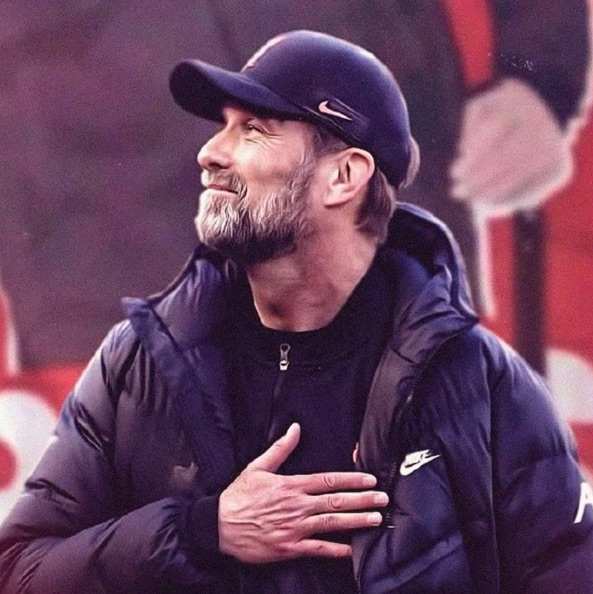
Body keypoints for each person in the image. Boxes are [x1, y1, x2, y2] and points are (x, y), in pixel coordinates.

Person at [1, 29, 592, 594]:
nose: (210, 152)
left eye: (253, 130)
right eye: (223, 127)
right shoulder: (139, 362)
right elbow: (18, 570)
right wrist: (202, 532)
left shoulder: (480, 386)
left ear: (344, 176)